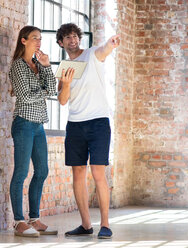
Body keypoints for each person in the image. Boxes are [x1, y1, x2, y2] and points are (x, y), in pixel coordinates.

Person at [56, 23, 120, 239]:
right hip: (75, 124)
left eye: (75, 36)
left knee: (98, 172)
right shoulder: (64, 67)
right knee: (78, 173)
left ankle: (105, 224)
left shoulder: (92, 54)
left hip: (98, 123)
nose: (72, 40)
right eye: (67, 37)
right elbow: (63, 101)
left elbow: (103, 50)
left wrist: (110, 44)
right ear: (61, 43)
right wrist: (65, 83)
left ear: (79, 38)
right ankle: (85, 225)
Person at [8, 25, 59, 237]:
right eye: (34, 38)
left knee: (42, 171)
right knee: (21, 172)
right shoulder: (18, 66)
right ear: (23, 40)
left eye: (40, 38)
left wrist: (47, 66)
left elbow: (54, 90)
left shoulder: (38, 64)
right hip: (23, 123)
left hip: (38, 125)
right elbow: (25, 97)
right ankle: (19, 222)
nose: (39, 41)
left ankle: (34, 219)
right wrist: (44, 91)